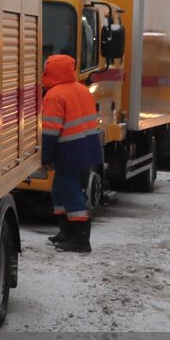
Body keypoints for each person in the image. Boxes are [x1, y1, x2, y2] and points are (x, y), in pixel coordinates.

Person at [41, 53, 104, 253]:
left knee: (70, 191)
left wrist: (45, 156)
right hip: (86, 147)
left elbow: (50, 131)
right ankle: (66, 232)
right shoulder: (82, 90)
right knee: (60, 189)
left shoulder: (54, 95)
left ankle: (80, 239)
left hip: (68, 150)